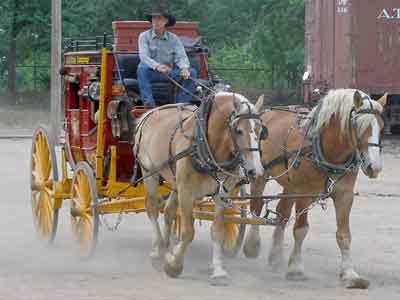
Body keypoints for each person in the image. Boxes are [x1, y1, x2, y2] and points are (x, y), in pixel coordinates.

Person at [137, 6, 198, 108]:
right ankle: (149, 104)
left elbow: (181, 56)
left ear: (166, 21)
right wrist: (157, 66)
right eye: (154, 18)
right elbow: (143, 56)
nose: (156, 21)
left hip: (168, 72)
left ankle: (180, 104)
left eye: (159, 18)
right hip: (151, 72)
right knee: (141, 70)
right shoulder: (143, 36)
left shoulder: (174, 39)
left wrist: (184, 68)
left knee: (191, 72)